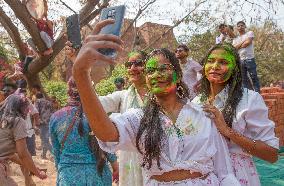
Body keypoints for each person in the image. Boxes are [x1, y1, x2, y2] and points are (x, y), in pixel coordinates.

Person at [72, 19, 241, 185]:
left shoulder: (204, 114)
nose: (156, 74)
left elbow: (224, 171)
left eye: (163, 68)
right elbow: (106, 133)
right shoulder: (140, 118)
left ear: (178, 75)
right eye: (150, 71)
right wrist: (81, 73)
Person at [192, 43, 278, 186]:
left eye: (223, 62)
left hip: (237, 176)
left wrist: (228, 131)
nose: (215, 66)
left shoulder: (249, 99)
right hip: (203, 175)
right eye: (211, 61)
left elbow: (272, 154)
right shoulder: (195, 102)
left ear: (235, 69)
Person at [65, 41, 148, 186]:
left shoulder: (161, 97)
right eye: (129, 65)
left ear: (148, 66)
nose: (133, 68)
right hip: (130, 163)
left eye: (138, 63)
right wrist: (78, 65)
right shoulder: (122, 97)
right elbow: (94, 103)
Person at [49, 77, 119, 186]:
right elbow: (107, 145)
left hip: (68, 176)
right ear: (90, 90)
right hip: (97, 174)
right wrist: (115, 167)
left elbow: (56, 151)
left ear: (69, 91)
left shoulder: (56, 117)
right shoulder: (97, 114)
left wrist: (61, 171)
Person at [0, 94, 47, 185]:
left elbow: (11, 155)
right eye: (26, 108)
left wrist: (32, 167)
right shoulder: (17, 121)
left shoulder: (3, 120)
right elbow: (23, 153)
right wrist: (38, 173)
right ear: (20, 108)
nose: (28, 111)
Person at [233, 21, 260, 92]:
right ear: (237, 28)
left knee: (253, 77)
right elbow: (234, 48)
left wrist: (239, 45)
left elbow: (247, 43)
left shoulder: (249, 33)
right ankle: (248, 94)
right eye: (238, 26)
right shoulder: (236, 38)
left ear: (245, 26)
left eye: (242, 25)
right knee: (244, 79)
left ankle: (258, 94)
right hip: (240, 60)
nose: (240, 27)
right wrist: (243, 41)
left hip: (250, 59)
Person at [35, 92, 53, 159]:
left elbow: (36, 112)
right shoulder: (48, 102)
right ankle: (44, 155)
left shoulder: (37, 101)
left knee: (44, 140)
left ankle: (54, 153)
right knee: (46, 139)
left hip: (42, 123)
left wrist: (36, 124)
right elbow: (52, 112)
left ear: (37, 97)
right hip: (49, 122)